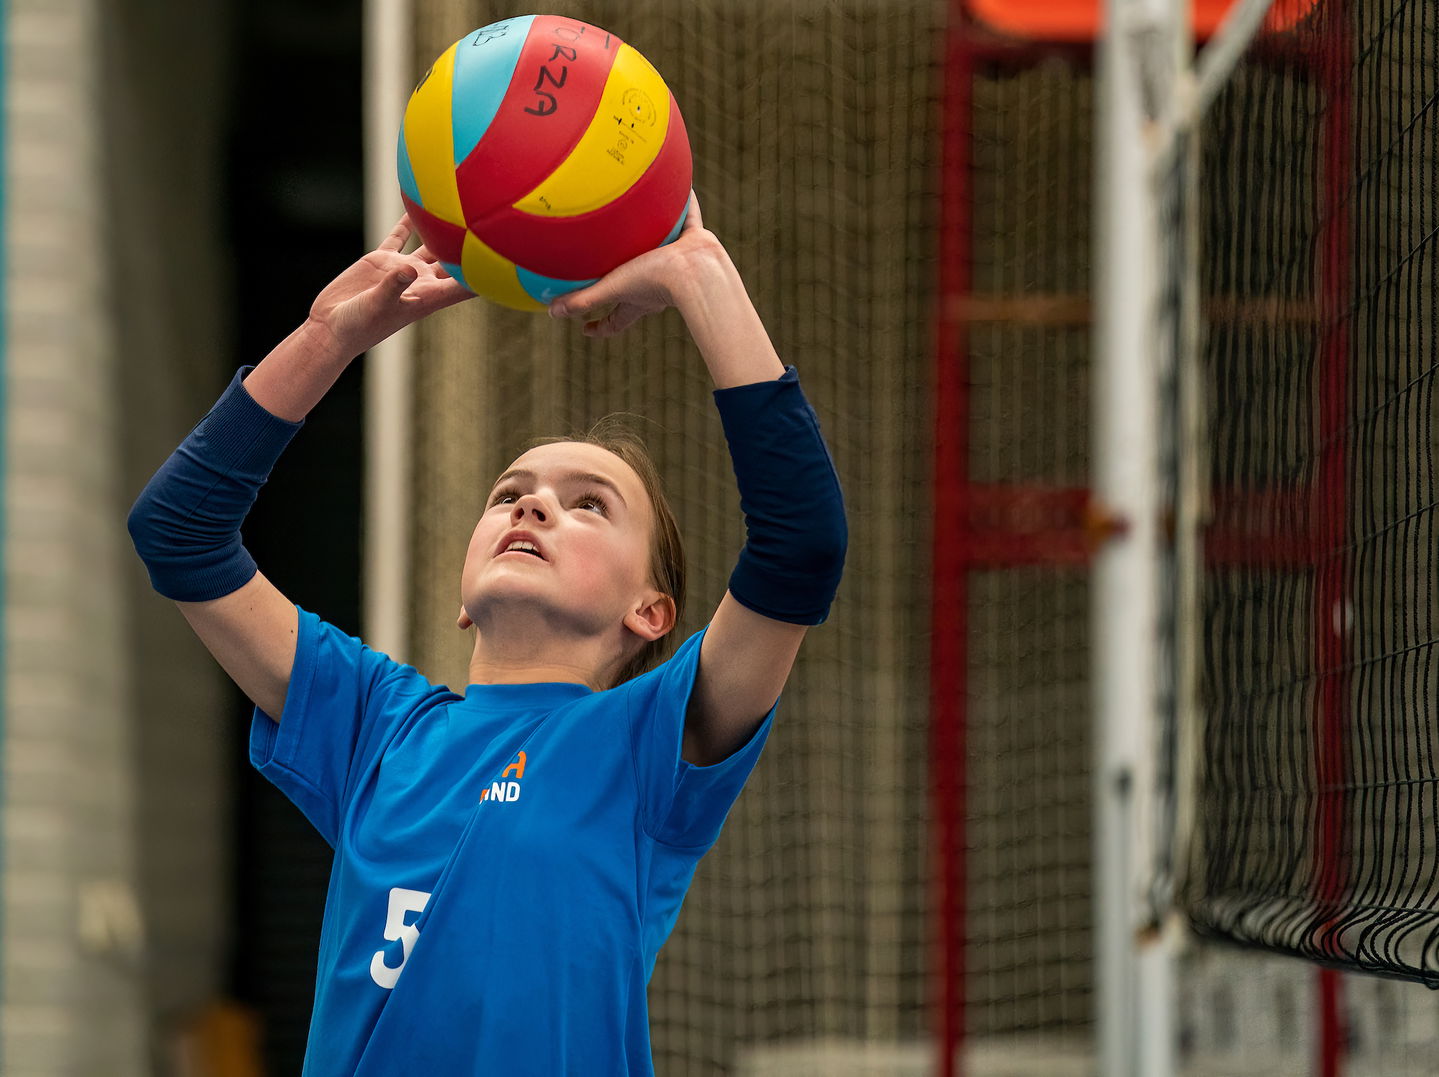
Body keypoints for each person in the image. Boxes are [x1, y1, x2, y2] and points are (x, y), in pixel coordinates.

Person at [128, 192, 846, 1075]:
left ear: (649, 612)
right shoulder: (377, 726)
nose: (533, 503)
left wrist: (698, 273)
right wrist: (330, 338)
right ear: (464, 595)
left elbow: (801, 546)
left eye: (589, 504)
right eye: (510, 492)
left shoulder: (651, 741)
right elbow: (179, 532)